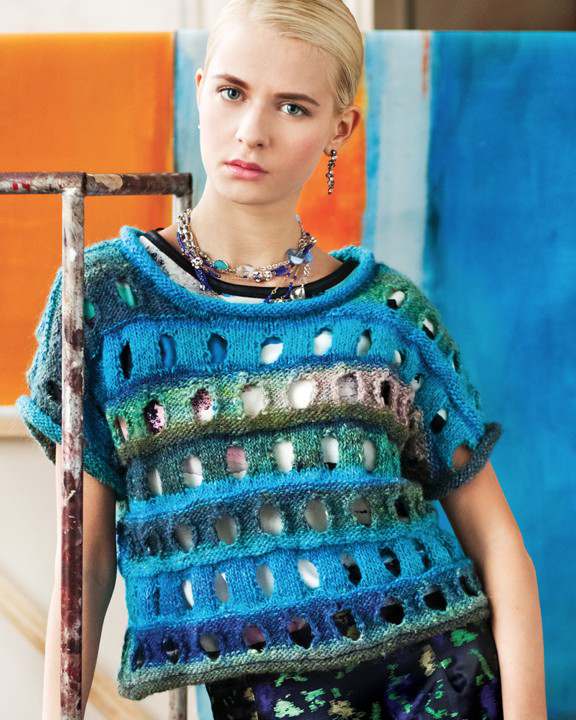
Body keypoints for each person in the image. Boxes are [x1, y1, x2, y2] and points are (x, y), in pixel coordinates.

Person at [17, 1, 547, 718]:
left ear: (340, 128)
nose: (252, 131)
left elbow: (499, 543)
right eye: (232, 92)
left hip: (444, 685)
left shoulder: (383, 316)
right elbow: (85, 560)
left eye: (293, 107)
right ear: (201, 88)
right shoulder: (111, 299)